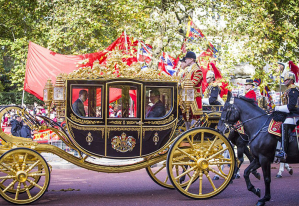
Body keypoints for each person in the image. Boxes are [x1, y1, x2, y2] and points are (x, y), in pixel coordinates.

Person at [274, 71, 299, 162]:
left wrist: (277, 108)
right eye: (284, 79)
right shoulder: (288, 90)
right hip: (289, 114)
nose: (285, 81)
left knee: (284, 125)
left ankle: (283, 151)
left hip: (294, 115)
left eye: (287, 79)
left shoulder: (293, 90)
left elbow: (291, 106)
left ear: (292, 80)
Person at [179, 51, 203, 129]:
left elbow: (193, 83)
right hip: (186, 94)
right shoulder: (187, 70)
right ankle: (187, 131)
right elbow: (182, 80)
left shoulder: (198, 70)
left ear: (192, 59)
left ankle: (195, 133)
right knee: (185, 114)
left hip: (194, 96)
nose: (185, 60)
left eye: (187, 58)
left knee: (194, 115)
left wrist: (181, 84)